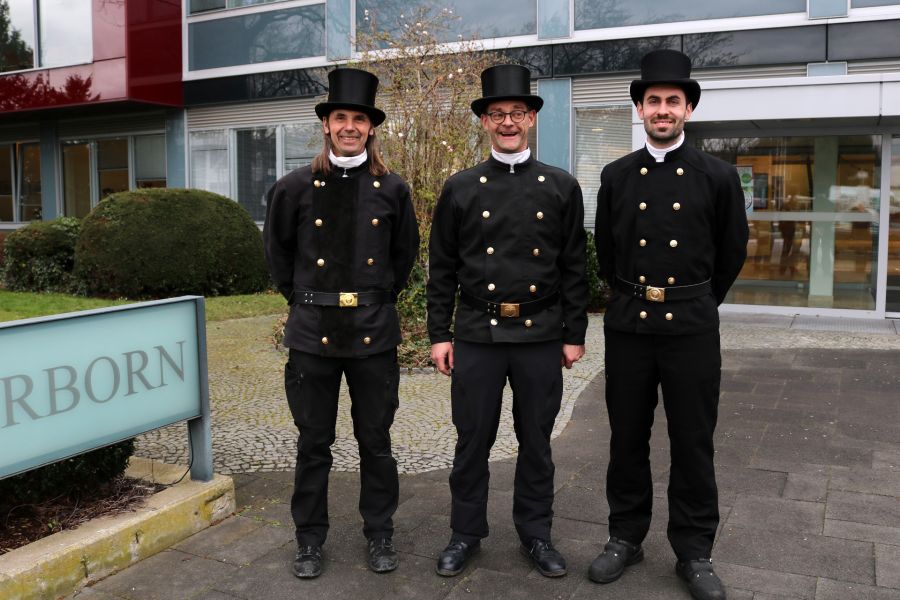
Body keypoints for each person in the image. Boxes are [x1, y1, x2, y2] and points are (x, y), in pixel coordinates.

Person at [590, 49, 749, 600]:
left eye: (672, 101)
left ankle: (694, 550)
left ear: (688, 109)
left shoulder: (718, 176)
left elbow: (732, 252)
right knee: (626, 438)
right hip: (630, 326)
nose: (663, 109)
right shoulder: (616, 175)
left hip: (691, 328)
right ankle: (624, 537)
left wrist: (696, 300)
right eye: (653, 100)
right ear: (639, 108)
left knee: (693, 441)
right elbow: (606, 253)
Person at [427, 64, 589, 579]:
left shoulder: (560, 186)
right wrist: (439, 334)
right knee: (472, 439)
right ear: (485, 122)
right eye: (497, 114)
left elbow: (574, 266)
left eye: (517, 112)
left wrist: (574, 334)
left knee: (536, 442)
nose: (508, 122)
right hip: (478, 331)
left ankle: (536, 534)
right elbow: (442, 268)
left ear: (531, 119)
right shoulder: (461, 187)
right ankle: (465, 533)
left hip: (540, 334)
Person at [263, 67, 419, 579]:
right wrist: (307, 302)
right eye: (340, 118)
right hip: (312, 333)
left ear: (371, 128)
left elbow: (404, 257)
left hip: (373, 331)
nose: (350, 127)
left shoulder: (392, 189)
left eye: (359, 119)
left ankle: (380, 533)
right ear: (326, 125)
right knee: (313, 444)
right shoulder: (293, 187)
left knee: (376, 440)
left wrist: (375, 301)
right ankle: (309, 540)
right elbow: (278, 257)